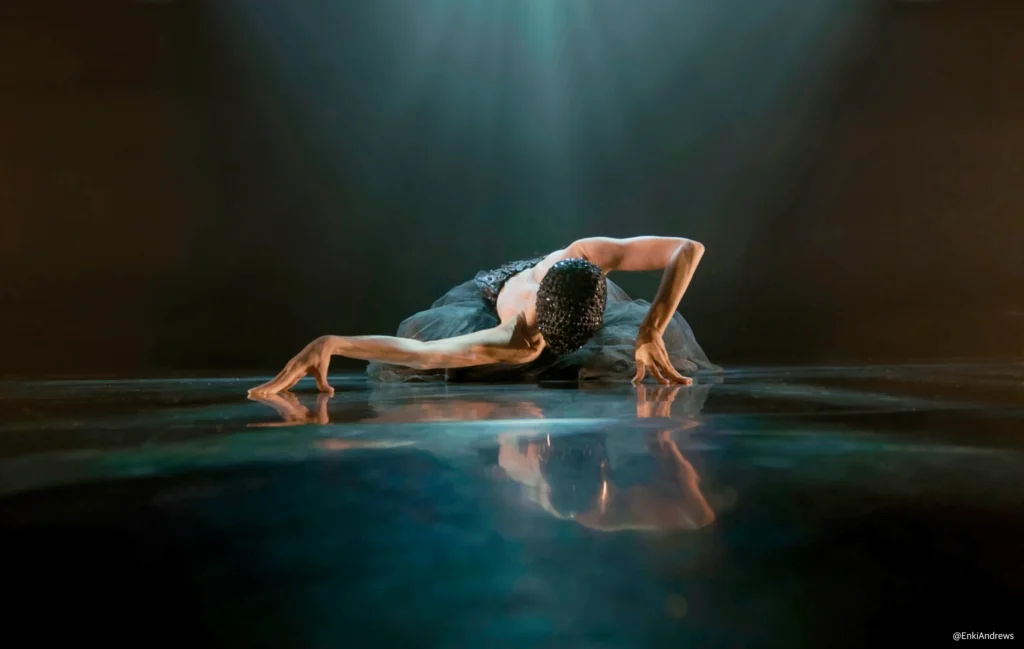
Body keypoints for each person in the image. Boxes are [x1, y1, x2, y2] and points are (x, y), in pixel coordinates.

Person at [249, 236, 718, 396]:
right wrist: (332, 343)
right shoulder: (516, 340)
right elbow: (423, 352)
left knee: (632, 344)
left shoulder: (584, 254)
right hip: (495, 295)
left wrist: (652, 326)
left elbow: (688, 248)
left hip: (563, 287)